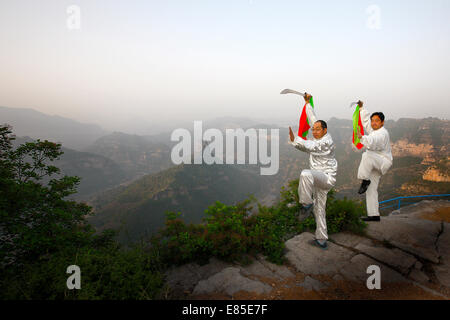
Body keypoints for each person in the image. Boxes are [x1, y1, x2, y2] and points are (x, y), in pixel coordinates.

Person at [288, 93, 338, 249]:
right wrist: (308, 103)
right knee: (320, 210)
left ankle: (305, 203)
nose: (314, 131)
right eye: (313, 130)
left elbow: (309, 146)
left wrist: (295, 139)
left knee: (305, 174)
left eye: (318, 129)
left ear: (325, 130)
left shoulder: (326, 142)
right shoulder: (318, 136)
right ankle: (321, 239)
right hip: (317, 180)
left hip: (326, 178)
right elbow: (312, 119)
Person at [355, 101, 393, 222]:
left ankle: (364, 180)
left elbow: (373, 141)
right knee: (371, 189)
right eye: (373, 120)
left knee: (366, 155)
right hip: (374, 163)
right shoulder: (373, 130)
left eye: (377, 120)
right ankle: (374, 215)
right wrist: (361, 109)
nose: (373, 123)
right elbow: (366, 122)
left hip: (382, 161)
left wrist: (362, 137)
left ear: (382, 122)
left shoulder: (382, 133)